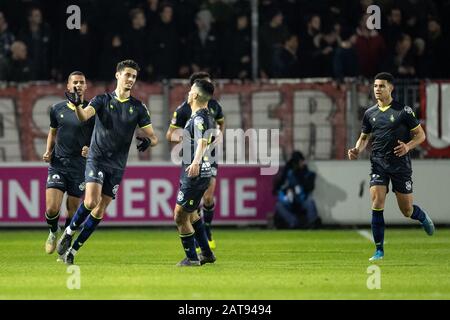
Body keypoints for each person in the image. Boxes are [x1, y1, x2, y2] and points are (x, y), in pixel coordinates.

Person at [56, 59, 158, 264]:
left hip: (117, 165)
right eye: (127, 75)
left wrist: (148, 141)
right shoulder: (102, 100)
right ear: (118, 75)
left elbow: (154, 137)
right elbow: (84, 116)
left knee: (100, 210)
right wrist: (77, 106)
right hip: (97, 158)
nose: (130, 79)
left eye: (134, 76)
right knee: (91, 201)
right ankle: (69, 231)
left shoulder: (138, 108)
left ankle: (73, 251)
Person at [348, 72, 435, 262]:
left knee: (407, 210)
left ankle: (421, 217)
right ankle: (379, 250)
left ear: (391, 88)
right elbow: (364, 138)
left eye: (381, 86)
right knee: (377, 202)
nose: (377, 89)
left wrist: (407, 146)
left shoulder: (403, 111)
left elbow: (420, 135)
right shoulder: (369, 113)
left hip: (400, 165)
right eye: (375, 86)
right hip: (378, 163)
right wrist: (356, 149)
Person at [166, 72, 224, 250]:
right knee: (191, 211)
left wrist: (198, 157)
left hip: (200, 160)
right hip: (195, 159)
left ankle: (196, 250)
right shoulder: (185, 111)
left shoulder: (203, 113)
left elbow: (207, 135)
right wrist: (188, 137)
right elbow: (170, 135)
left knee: (184, 212)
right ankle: (205, 250)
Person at [43, 71, 94, 255]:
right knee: (51, 208)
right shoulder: (57, 109)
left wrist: (90, 148)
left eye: (82, 82)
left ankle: (66, 237)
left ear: (86, 86)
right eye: (75, 82)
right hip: (59, 163)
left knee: (72, 210)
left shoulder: (91, 110)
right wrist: (48, 150)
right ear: (68, 86)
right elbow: (53, 132)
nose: (78, 85)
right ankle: (52, 231)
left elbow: (98, 137)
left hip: (79, 166)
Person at [173, 79, 216, 266]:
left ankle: (191, 259)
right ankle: (206, 253)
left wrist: (196, 162)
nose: (188, 92)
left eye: (191, 90)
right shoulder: (205, 115)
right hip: (200, 172)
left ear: (196, 95)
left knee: (180, 216)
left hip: (195, 172)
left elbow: (202, 142)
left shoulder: (199, 117)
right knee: (192, 214)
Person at [273, 151, 319, 229]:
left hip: (301, 200)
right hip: (289, 201)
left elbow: (309, 187)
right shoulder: (287, 172)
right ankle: (293, 223)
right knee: (279, 205)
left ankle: (313, 224)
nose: (302, 163)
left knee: (310, 202)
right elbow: (277, 187)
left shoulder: (306, 173)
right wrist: (286, 190)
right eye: (300, 161)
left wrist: (299, 178)